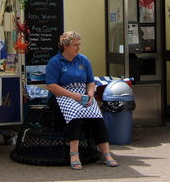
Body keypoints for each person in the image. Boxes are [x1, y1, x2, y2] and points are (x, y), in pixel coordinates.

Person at [45, 31, 118, 170]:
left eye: (79, 45)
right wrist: (73, 96)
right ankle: (74, 153)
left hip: (82, 94)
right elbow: (51, 85)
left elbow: (91, 81)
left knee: (96, 113)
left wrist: (90, 95)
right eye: (75, 45)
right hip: (61, 95)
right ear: (65, 46)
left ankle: (106, 153)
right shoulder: (55, 62)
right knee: (75, 111)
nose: (78, 48)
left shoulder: (83, 60)